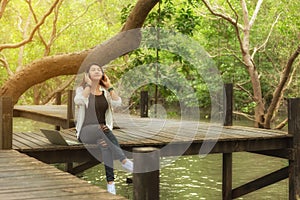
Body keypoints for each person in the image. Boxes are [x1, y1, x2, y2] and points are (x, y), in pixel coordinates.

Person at [74, 63, 133, 195]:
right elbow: (78, 101)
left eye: (99, 70)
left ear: (102, 74)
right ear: (87, 75)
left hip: (103, 132)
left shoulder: (105, 92)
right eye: (93, 69)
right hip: (85, 132)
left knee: (105, 145)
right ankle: (123, 160)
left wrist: (109, 86)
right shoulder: (82, 90)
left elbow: (118, 103)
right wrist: (89, 85)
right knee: (102, 129)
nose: (96, 71)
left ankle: (110, 185)